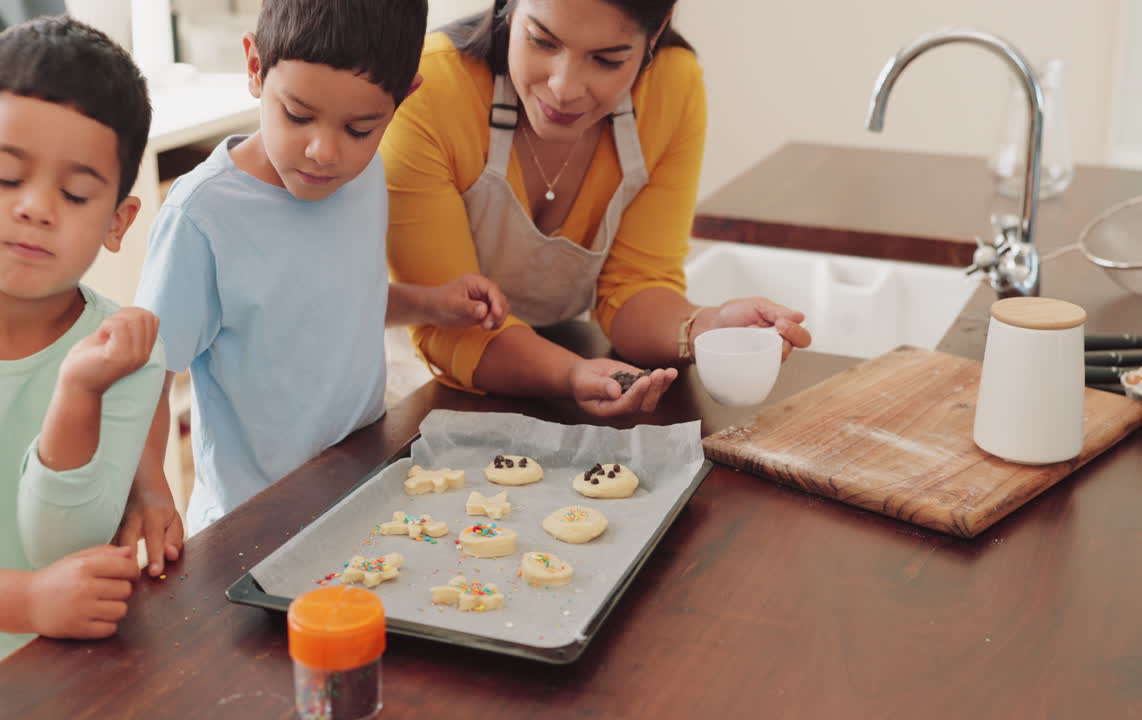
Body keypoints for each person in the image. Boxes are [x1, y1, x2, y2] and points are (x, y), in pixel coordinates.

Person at [131, 0, 508, 538]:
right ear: (255, 67)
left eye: (359, 128)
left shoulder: (365, 175)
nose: (324, 152)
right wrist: (149, 492)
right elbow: (148, 370)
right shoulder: (202, 217)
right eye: (298, 115)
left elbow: (340, 298)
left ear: (403, 99)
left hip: (362, 491)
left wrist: (432, 304)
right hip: (252, 526)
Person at [382, 0, 812, 417]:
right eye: (541, 41)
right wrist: (570, 373)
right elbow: (448, 324)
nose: (564, 87)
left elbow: (634, 287)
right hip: (426, 389)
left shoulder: (671, 87)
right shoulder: (430, 90)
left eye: (606, 60)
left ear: (657, 30)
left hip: (567, 370)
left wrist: (704, 326)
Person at [0, 17, 164, 697]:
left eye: (74, 194)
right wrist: (23, 600)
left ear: (118, 222)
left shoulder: (122, 356)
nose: (36, 208)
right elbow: (45, 583)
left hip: (75, 684)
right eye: (7, 178)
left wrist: (78, 391)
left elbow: (62, 550)